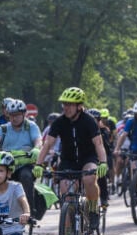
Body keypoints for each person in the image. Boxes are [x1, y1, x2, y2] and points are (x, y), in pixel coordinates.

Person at [35, 87, 108, 225]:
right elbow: (47, 144)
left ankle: (93, 209)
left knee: (89, 178)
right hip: (68, 160)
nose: (66, 108)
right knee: (66, 195)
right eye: (64, 104)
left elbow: (98, 144)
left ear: (79, 106)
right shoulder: (59, 122)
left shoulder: (89, 120)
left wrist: (103, 162)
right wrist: (39, 164)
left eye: (70, 104)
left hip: (88, 158)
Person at [0, 99, 42, 217]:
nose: (13, 118)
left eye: (16, 115)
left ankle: (29, 211)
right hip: (7, 165)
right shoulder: (4, 128)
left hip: (25, 164)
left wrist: (36, 148)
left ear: (23, 114)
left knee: (25, 176)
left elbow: (38, 140)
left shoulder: (31, 126)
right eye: (11, 115)